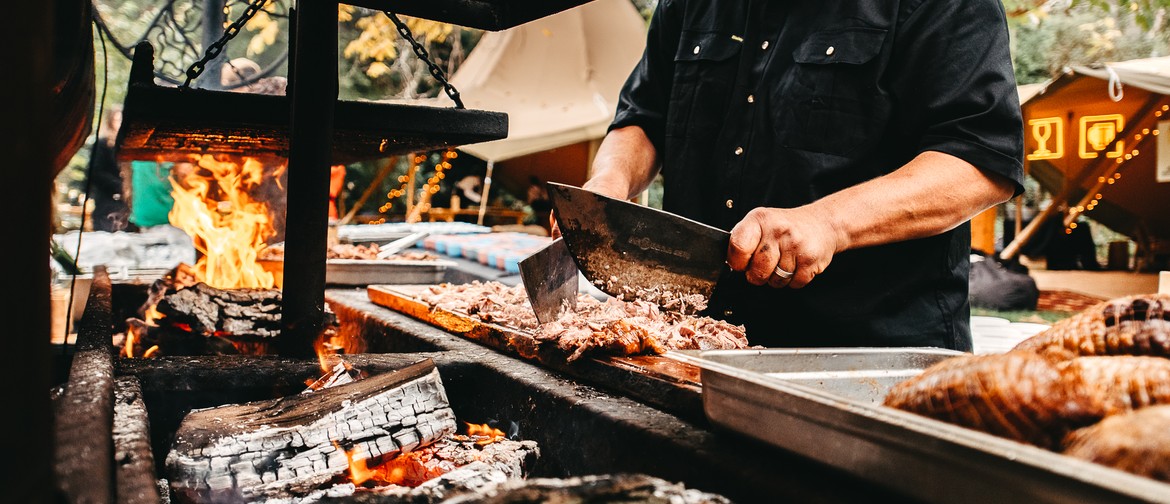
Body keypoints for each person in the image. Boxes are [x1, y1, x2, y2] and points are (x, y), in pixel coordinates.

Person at [555, 1, 1025, 351]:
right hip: (694, 345)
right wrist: (609, 184)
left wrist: (829, 222)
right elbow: (644, 116)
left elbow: (979, 161)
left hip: (868, 358)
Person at [87, 106, 132, 232]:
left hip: (127, 206)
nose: (120, 123)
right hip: (107, 202)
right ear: (110, 121)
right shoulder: (103, 144)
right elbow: (96, 172)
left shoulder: (129, 145)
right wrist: (119, 187)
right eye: (117, 119)